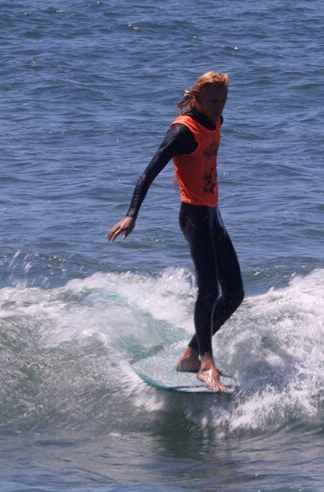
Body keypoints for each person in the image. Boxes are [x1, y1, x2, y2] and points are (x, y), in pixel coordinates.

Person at [107, 71, 244, 393]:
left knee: (235, 293)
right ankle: (205, 364)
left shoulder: (215, 121)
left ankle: (190, 354)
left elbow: (196, 162)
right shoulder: (183, 130)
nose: (218, 107)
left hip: (214, 213)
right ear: (196, 98)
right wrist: (131, 215)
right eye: (212, 101)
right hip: (195, 216)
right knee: (209, 291)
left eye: (223, 101)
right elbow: (148, 172)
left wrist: (182, 173)